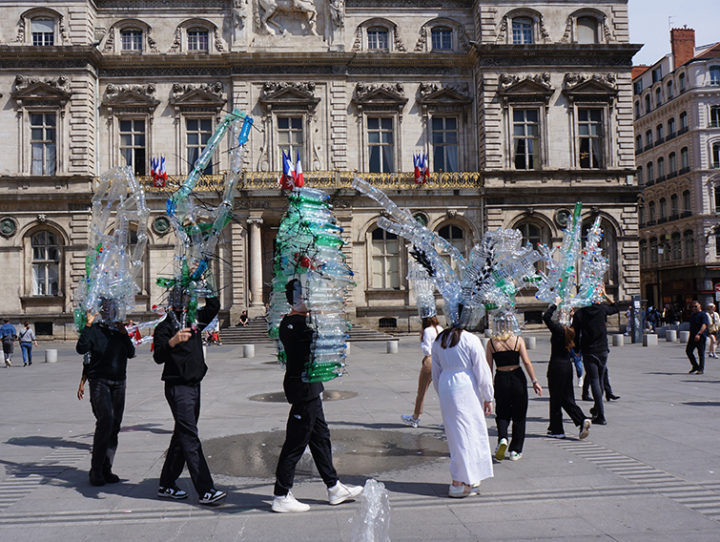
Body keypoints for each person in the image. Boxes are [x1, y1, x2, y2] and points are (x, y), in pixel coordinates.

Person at [272, 279, 362, 513]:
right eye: (307, 295)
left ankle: (333, 487)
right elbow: (326, 337)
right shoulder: (298, 324)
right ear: (297, 299)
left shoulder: (292, 322)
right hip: (303, 390)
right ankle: (281, 494)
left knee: (321, 437)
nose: (311, 299)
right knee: (295, 442)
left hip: (309, 388)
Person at [153, 288, 226, 505]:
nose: (185, 302)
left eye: (188, 298)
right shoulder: (164, 328)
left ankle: (166, 484)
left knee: (182, 436)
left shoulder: (195, 322)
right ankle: (205, 489)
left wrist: (205, 283)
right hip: (178, 387)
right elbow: (158, 356)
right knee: (190, 437)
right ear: (171, 301)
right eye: (181, 298)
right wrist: (172, 342)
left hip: (194, 385)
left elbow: (213, 307)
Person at [75, 300, 135, 486]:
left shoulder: (119, 332)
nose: (110, 312)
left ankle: (106, 468)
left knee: (115, 425)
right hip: (99, 381)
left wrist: (125, 334)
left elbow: (131, 353)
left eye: (113, 309)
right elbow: (81, 348)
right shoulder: (94, 330)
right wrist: (88, 324)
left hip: (119, 382)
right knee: (105, 421)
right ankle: (96, 469)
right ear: (101, 311)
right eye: (107, 309)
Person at [431, 319, 494, 497]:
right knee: (468, 431)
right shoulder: (470, 339)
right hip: (464, 386)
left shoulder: (439, 340)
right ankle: (458, 483)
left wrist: (442, 392)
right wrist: (488, 396)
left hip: (446, 384)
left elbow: (435, 372)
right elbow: (482, 369)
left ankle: (468, 477)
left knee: (456, 432)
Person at [485, 321, 542, 461]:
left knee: (502, 413)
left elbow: (488, 367)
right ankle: (515, 450)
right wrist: (535, 381)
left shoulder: (491, 343)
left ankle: (503, 438)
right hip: (517, 377)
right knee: (519, 415)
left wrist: (487, 387)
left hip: (500, 378)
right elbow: (527, 362)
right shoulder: (517, 340)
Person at [543, 302, 592, 440]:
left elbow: (546, 318)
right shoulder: (572, 331)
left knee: (555, 399)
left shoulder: (559, 330)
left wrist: (553, 305)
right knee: (567, 397)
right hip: (567, 367)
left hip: (556, 366)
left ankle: (557, 429)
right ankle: (580, 420)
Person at [572, 289, 619, 425]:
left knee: (594, 381)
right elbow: (615, 307)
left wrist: (576, 350)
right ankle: (597, 410)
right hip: (603, 349)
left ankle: (601, 415)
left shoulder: (580, 314)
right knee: (601, 377)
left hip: (589, 351)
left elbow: (575, 332)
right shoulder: (601, 309)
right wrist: (605, 294)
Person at [401, 315, 443, 428]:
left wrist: (421, 339)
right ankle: (447, 419)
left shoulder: (427, 331)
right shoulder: (440, 328)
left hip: (430, 361)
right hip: (441, 361)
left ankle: (415, 418)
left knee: (422, 391)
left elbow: (426, 349)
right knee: (442, 392)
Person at [686, 300, 710, 375]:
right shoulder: (693, 315)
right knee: (688, 351)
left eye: (695, 306)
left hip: (700, 336)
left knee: (701, 353)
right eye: (692, 307)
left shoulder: (703, 315)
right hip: (692, 336)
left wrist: (699, 334)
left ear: (700, 306)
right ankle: (695, 366)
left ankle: (701, 369)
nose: (694, 308)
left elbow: (704, 325)